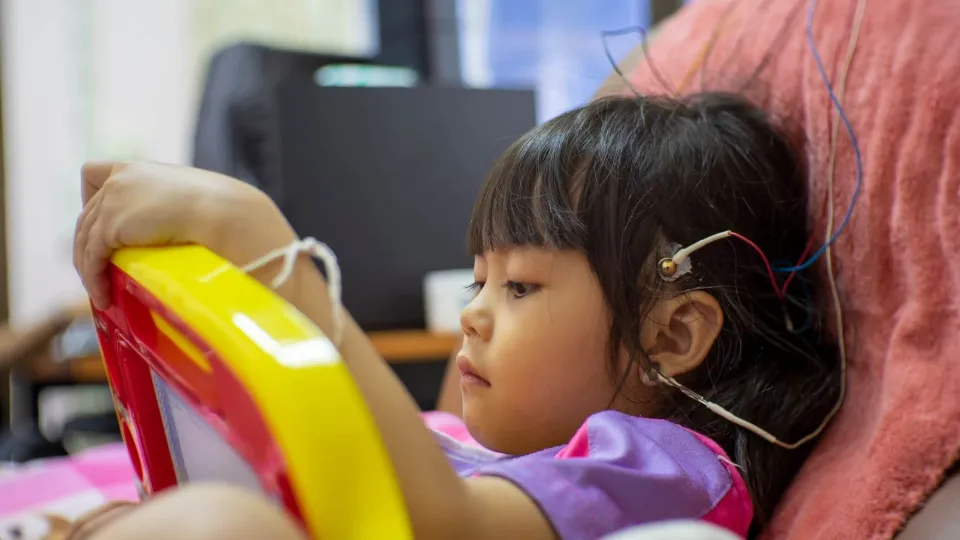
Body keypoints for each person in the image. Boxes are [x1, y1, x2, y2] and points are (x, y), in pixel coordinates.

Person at [73, 92, 839, 540]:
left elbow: (440, 529)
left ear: (669, 334)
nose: (473, 316)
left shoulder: (668, 469)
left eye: (520, 287)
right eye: (478, 280)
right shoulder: (484, 441)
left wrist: (277, 260)